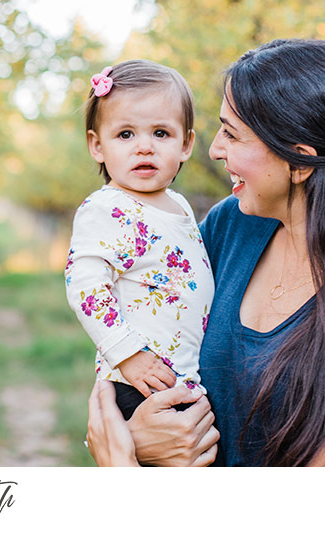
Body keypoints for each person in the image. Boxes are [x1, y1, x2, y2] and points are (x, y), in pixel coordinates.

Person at [86, 38, 325, 466]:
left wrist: (121, 463)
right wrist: (131, 436)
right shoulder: (231, 227)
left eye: (232, 134)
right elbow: (135, 325)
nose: (214, 150)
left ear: (300, 161)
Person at [66, 60, 213, 421]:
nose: (144, 147)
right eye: (126, 134)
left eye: (161, 133)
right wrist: (127, 354)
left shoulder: (178, 204)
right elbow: (85, 287)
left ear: (186, 144)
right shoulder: (106, 208)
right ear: (97, 146)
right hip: (136, 381)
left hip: (181, 378)